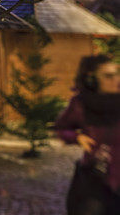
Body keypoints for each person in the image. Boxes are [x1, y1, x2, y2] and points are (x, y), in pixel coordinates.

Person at [55, 54, 120, 215]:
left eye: (117, 73)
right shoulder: (80, 104)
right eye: (108, 76)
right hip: (95, 178)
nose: (116, 79)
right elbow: (61, 128)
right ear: (92, 79)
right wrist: (76, 137)